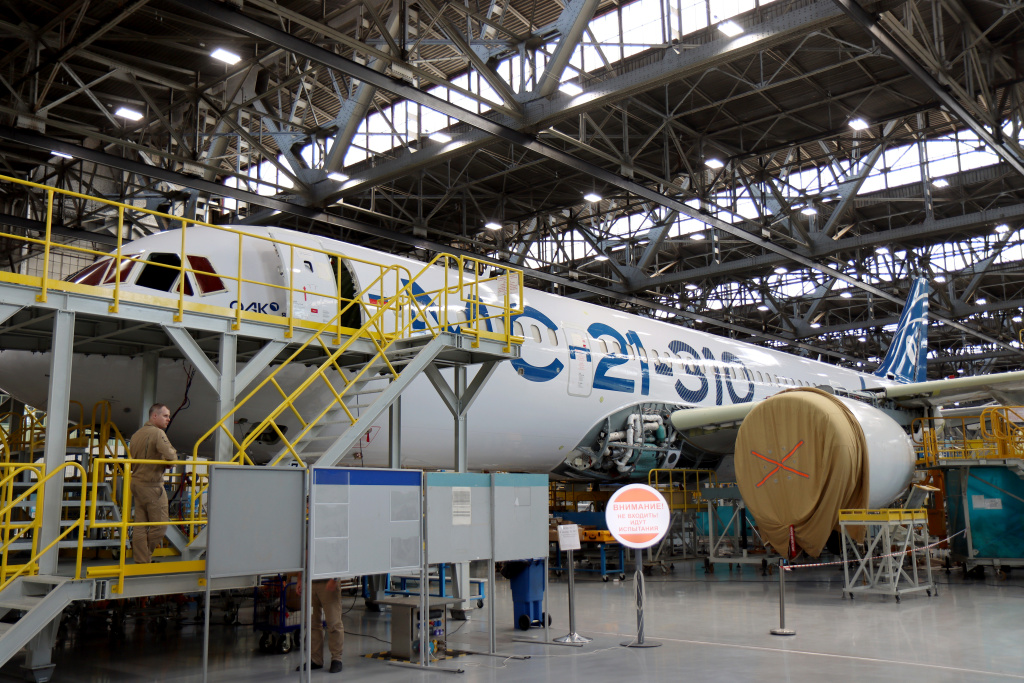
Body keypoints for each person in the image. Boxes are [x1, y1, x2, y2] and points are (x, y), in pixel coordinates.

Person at [128, 403, 176, 563]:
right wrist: (168, 460)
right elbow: (171, 457)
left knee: (140, 524)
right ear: (154, 416)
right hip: (151, 485)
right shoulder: (158, 433)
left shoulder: (136, 435)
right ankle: (146, 556)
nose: (168, 419)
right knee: (160, 525)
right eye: (165, 415)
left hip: (137, 483)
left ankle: (141, 560)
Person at [296, 577, 344, 673]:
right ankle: (316, 659)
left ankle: (336, 659)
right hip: (309, 582)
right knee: (312, 623)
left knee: (334, 623)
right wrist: (300, 579)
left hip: (328, 581)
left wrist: (334, 579)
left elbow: (339, 566)